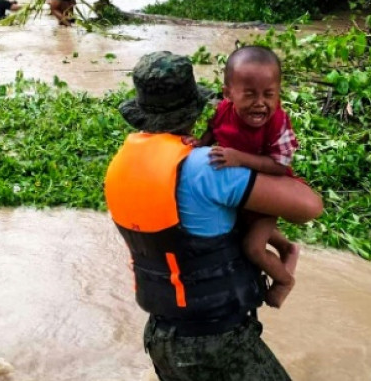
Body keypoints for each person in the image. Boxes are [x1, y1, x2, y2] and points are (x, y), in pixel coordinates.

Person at [105, 51, 323, 381]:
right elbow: (310, 207)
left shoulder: (121, 165)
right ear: (195, 109)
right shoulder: (206, 166)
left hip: (160, 338)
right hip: (216, 342)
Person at [188, 45, 301, 308]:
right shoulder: (222, 110)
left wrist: (238, 158)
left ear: (278, 93)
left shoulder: (278, 123)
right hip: (240, 190)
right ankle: (288, 248)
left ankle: (284, 280)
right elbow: (213, 130)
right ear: (228, 94)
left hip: (269, 191)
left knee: (253, 248)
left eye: (269, 94)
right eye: (249, 94)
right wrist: (200, 144)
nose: (260, 102)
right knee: (242, 230)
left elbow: (279, 166)